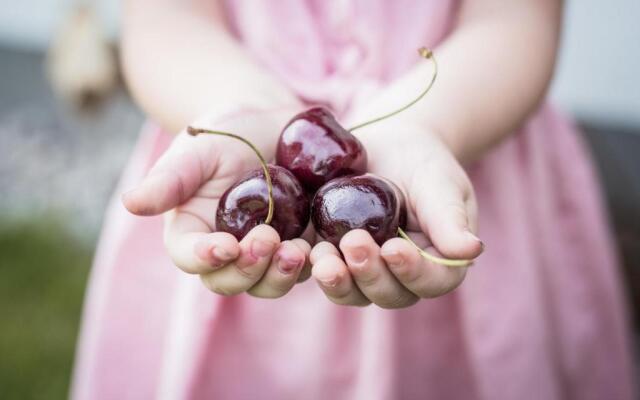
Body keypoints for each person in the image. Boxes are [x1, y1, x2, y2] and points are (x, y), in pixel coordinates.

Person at [71, 1, 634, 399]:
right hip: (229, 126)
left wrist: (430, 122)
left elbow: (517, 18)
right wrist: (232, 101)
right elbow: (166, 18)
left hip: (459, 137)